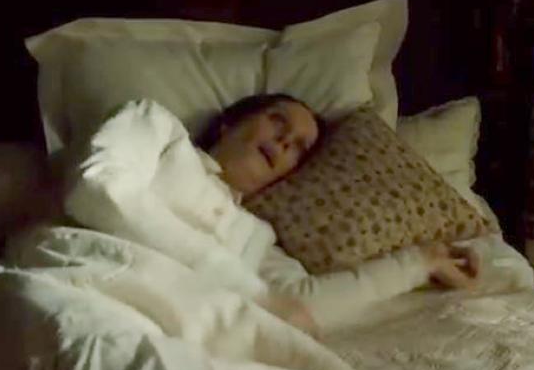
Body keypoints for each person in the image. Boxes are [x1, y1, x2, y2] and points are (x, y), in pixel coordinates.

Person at [63, 95, 481, 338]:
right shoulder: (158, 127)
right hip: (88, 290)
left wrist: (419, 263)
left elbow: (301, 306)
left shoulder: (255, 235)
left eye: (298, 147)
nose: (284, 141)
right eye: (278, 122)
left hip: (178, 334)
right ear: (229, 124)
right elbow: (95, 190)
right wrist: (245, 288)